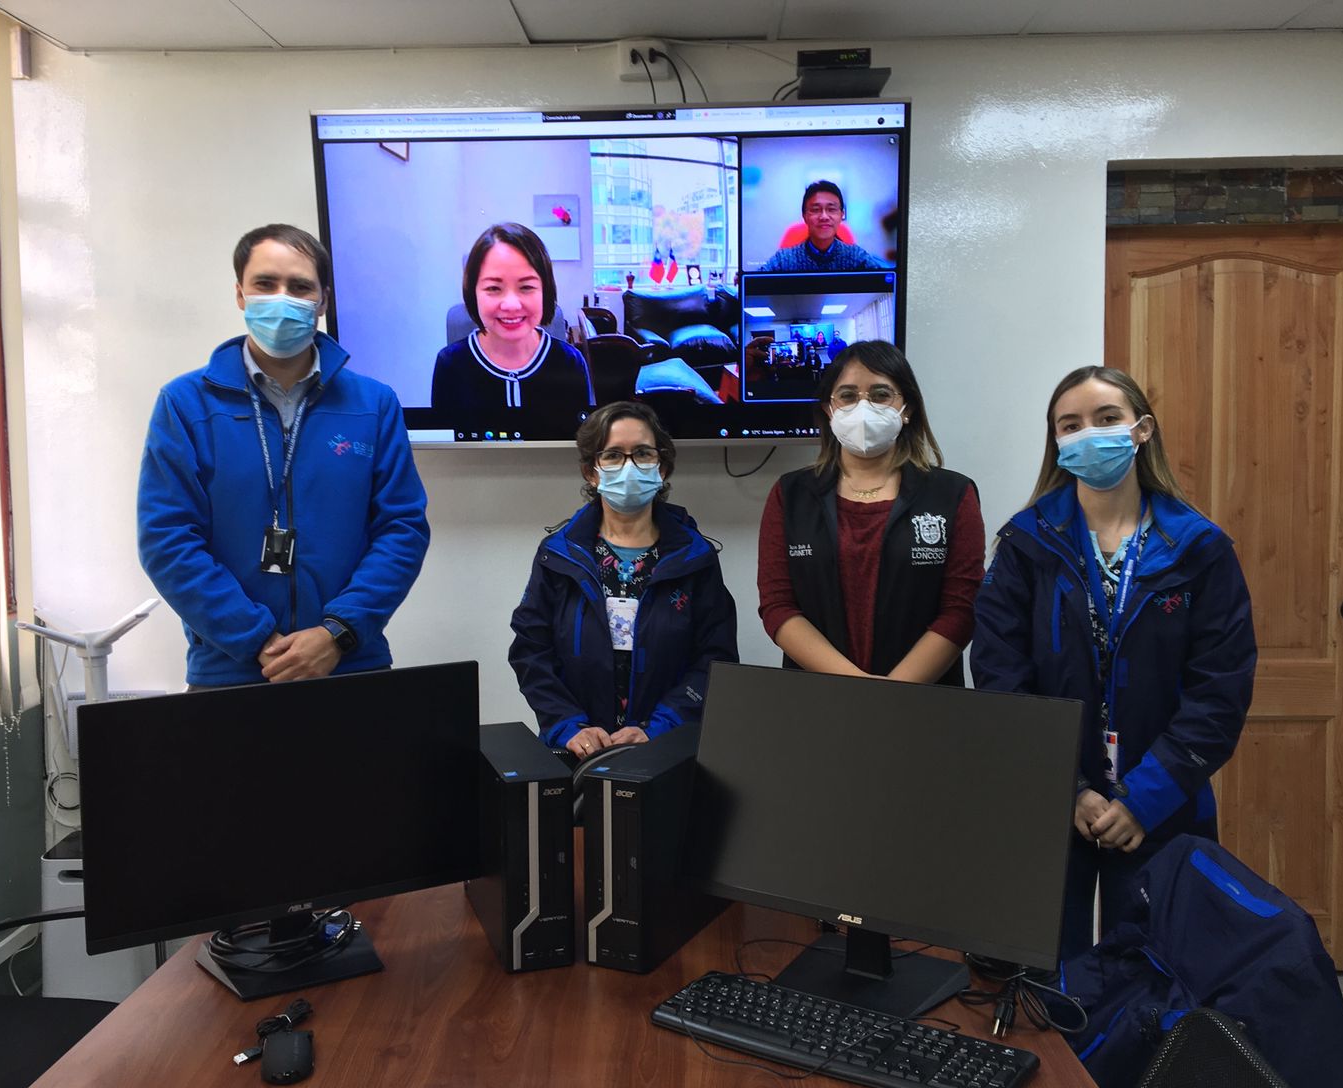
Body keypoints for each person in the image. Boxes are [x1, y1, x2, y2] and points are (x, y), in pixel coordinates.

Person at [971, 366, 1256, 961]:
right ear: (1056, 444)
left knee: (1160, 969)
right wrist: (1069, 789)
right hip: (1050, 794)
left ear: (1141, 429)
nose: (1087, 436)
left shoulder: (1199, 549)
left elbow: (1220, 691)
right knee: (1046, 972)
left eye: (1106, 420)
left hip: (1166, 797)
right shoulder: (1025, 544)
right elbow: (1001, 676)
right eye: (1069, 426)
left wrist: (1143, 801)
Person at [138, 223, 430, 687]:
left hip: (351, 664)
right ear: (240, 294)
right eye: (265, 284)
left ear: (322, 301)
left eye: (299, 287)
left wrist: (337, 634)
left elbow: (402, 530)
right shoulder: (185, 404)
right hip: (230, 672)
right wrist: (256, 639)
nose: (282, 298)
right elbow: (167, 539)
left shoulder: (374, 404)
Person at [509, 401, 738, 757]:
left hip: (668, 753)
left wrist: (661, 728)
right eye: (613, 455)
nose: (629, 466)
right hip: (576, 752)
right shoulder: (557, 556)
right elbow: (531, 651)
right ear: (591, 472)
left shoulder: (695, 558)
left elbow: (715, 661)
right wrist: (567, 725)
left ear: (662, 467)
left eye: (643, 454)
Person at [757, 340, 983, 684]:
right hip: (817, 700)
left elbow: (960, 610)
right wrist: (856, 687)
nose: (863, 407)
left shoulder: (953, 494)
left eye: (880, 395)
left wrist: (891, 693)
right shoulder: (790, 494)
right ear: (830, 410)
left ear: (906, 408)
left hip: (923, 703)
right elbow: (778, 606)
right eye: (847, 396)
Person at [430, 223, 595, 436]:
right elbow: (445, 455)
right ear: (473, 293)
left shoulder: (570, 362)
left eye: (526, 287)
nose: (511, 305)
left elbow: (583, 451)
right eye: (493, 288)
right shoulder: (451, 365)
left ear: (545, 290)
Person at [760, 181, 891, 273]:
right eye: (816, 209)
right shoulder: (784, 259)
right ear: (804, 216)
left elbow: (886, 281)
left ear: (842, 215)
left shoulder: (856, 256)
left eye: (831, 209)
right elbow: (754, 281)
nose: (824, 216)